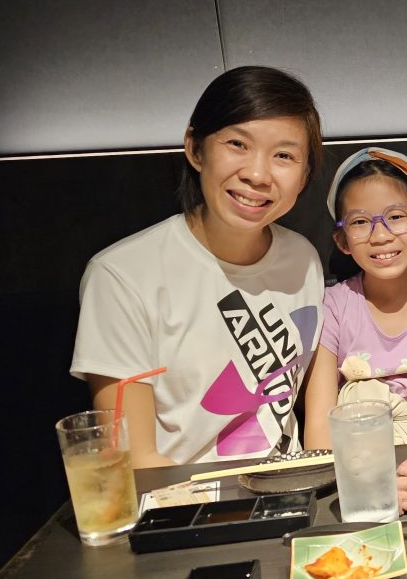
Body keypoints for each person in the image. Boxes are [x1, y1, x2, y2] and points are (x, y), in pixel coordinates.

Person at [71, 66, 325, 467]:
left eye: (284, 156)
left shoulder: (302, 260)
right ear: (195, 149)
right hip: (183, 497)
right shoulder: (122, 276)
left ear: (305, 174)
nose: (257, 174)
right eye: (238, 144)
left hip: (293, 487)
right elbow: (134, 460)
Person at [302, 147, 407, 446]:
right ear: (342, 240)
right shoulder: (333, 307)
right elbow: (319, 426)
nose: (380, 236)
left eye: (396, 216)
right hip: (355, 456)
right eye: (360, 222)